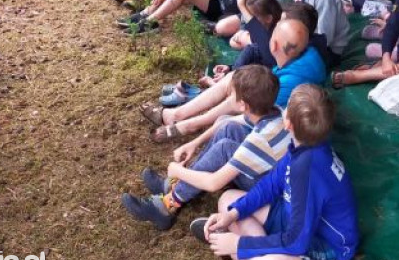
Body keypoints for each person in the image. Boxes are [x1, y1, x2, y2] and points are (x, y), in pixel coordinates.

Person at [196, 84, 359, 260]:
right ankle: (248, 255)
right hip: (294, 220)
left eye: (286, 107)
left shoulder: (308, 169)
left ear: (287, 123)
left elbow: (297, 241)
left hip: (323, 244)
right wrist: (232, 214)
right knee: (228, 201)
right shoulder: (304, 146)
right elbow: (271, 185)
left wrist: (240, 244)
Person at [121, 66, 290, 231]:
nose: (228, 98)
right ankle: (178, 186)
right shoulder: (274, 112)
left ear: (242, 105)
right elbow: (225, 122)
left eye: (231, 96)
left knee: (225, 148)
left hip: (271, 195)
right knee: (229, 128)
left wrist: (175, 170)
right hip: (269, 174)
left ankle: (167, 206)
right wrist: (193, 143)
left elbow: (213, 183)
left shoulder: (259, 140)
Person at [145, 20, 325, 142]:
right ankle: (176, 115)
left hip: (275, 128)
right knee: (234, 78)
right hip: (277, 107)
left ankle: (188, 124)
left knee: (236, 101)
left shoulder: (289, 84)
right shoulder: (308, 53)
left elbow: (249, 111)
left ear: (274, 45)